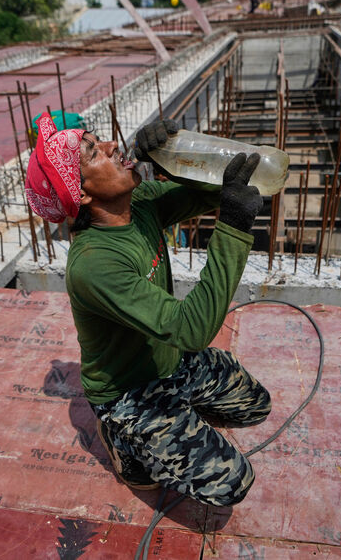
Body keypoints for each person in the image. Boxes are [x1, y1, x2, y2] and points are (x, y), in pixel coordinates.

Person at [24, 114, 272, 507]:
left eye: (99, 140)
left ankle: (177, 408)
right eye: (94, 152)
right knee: (231, 482)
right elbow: (192, 330)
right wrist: (235, 228)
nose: (110, 146)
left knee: (256, 405)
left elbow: (214, 193)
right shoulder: (95, 265)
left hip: (170, 360)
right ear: (82, 194)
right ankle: (124, 440)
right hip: (129, 391)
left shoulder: (138, 204)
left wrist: (175, 160)